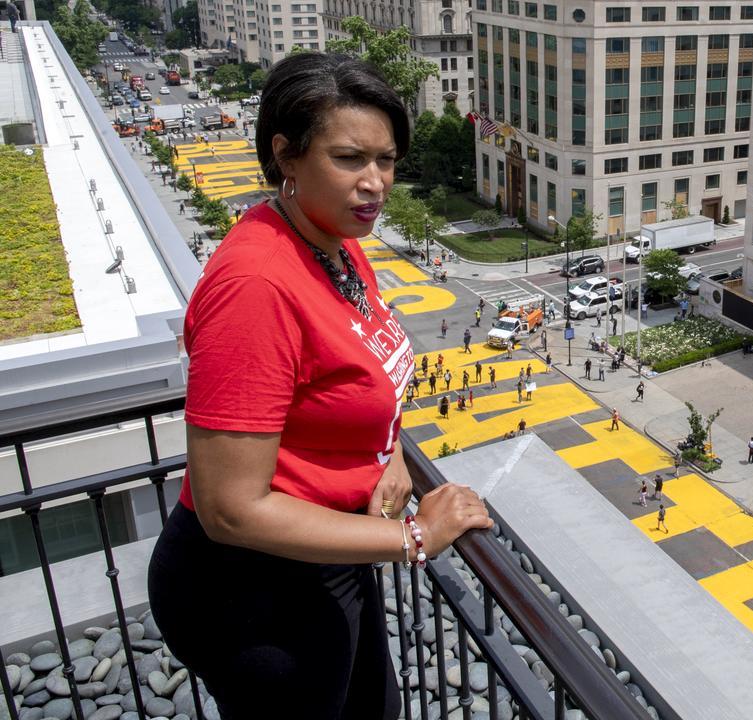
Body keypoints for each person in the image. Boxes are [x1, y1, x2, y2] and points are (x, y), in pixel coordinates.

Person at [147, 53, 493, 720]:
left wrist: (386, 454)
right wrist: (417, 536)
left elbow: (355, 371)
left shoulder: (334, 239)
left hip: (324, 549)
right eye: (349, 158)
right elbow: (231, 508)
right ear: (287, 156)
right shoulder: (257, 285)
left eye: (386, 160)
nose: (375, 183)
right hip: (253, 588)